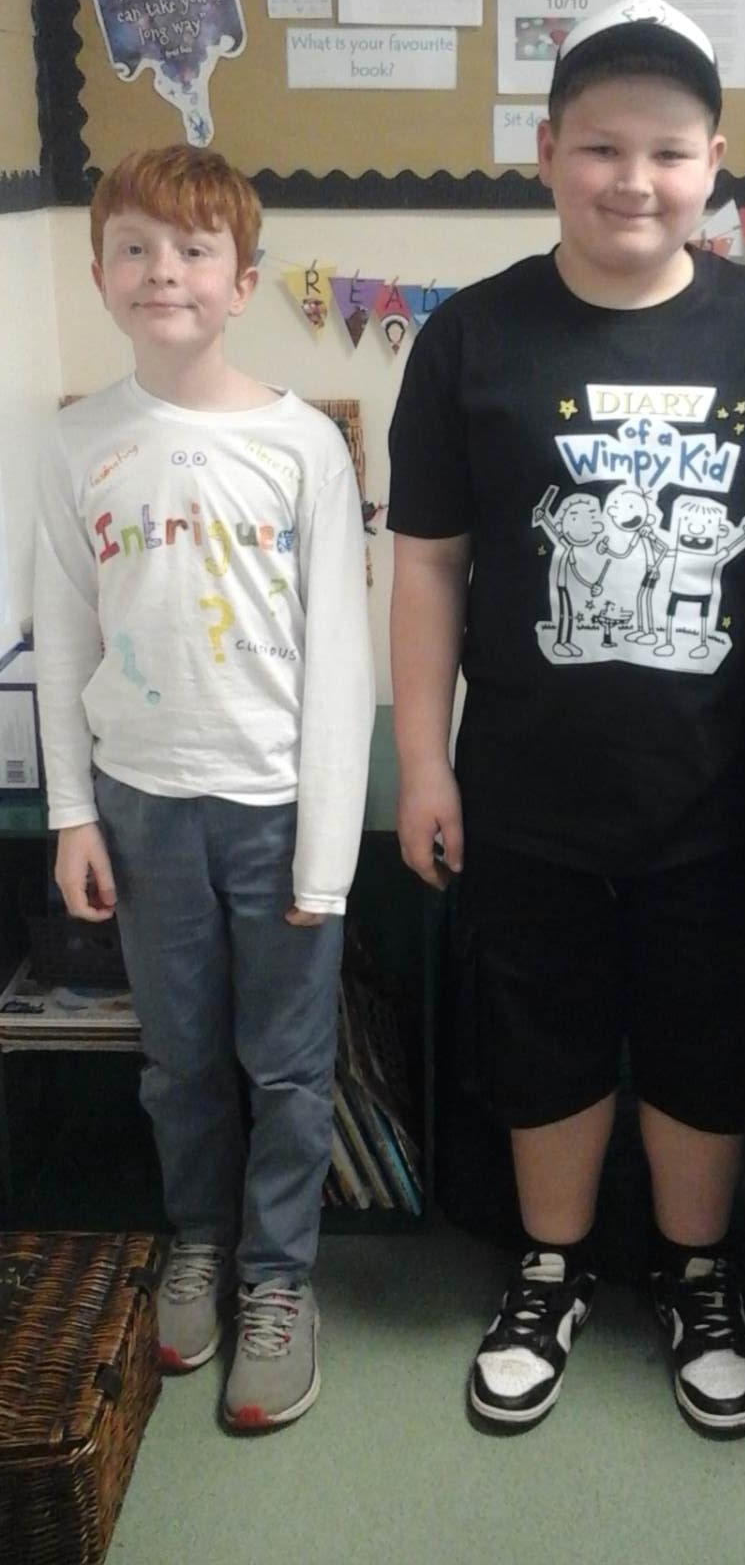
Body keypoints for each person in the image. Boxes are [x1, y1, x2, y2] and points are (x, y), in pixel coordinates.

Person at [387, 0, 745, 1432]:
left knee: (712, 1043)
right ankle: (550, 1268)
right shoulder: (472, 338)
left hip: (724, 797)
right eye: (601, 147)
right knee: (545, 1037)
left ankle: (697, 1271)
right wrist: (422, 764)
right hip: (528, 788)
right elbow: (428, 564)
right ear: (546, 152)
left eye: (667, 151)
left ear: (714, 163)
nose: (633, 181)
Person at [34, 146, 374, 1432]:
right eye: (134, 247)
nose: (162, 271)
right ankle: (198, 1243)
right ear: (100, 273)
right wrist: (73, 811)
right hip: (142, 808)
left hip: (277, 811)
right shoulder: (76, 442)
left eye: (192, 250)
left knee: (285, 1070)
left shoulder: (302, 446)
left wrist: (326, 857)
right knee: (178, 1061)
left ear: (242, 280)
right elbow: (63, 635)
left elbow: (340, 661)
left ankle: (278, 1278)